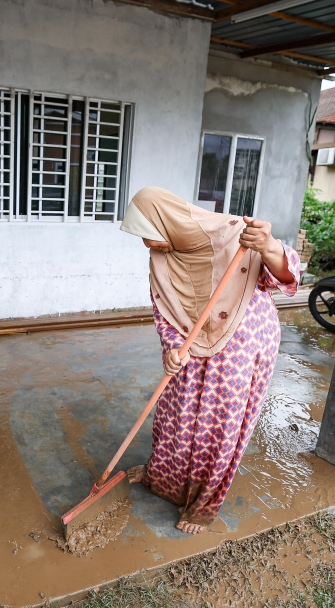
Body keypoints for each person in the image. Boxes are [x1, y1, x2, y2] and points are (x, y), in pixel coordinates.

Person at [119, 187, 300, 535]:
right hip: (191, 345)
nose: (148, 244)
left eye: (149, 235)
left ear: (169, 224)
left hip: (241, 347)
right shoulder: (163, 254)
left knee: (216, 428)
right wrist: (172, 349)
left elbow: (281, 274)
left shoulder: (236, 234)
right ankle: (161, 477)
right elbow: (165, 310)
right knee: (175, 414)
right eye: (144, 236)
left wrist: (270, 246)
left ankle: (202, 506)